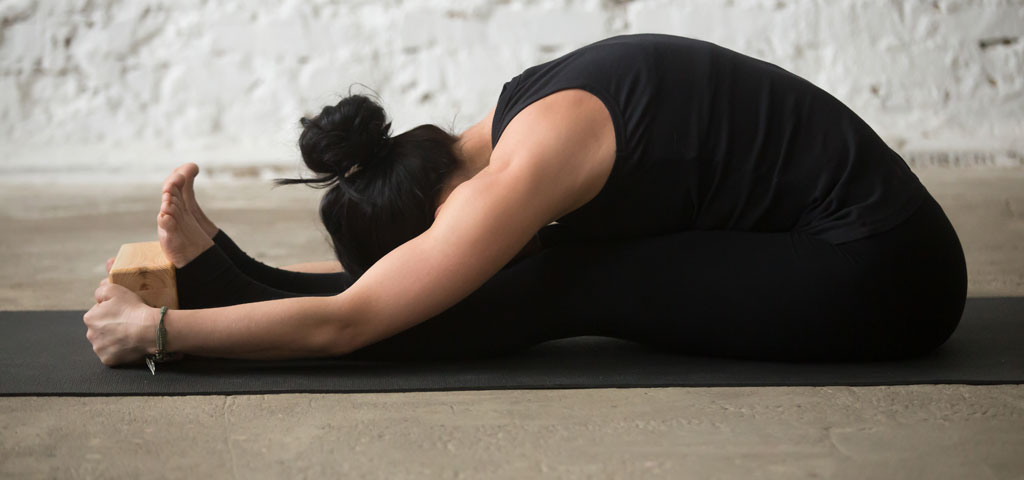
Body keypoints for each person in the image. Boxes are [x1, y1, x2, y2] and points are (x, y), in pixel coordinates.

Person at [83, 33, 968, 367]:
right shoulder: (506, 121)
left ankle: (228, 293)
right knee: (553, 266)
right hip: (852, 240)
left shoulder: (525, 169)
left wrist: (163, 333)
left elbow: (351, 319)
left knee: (567, 283)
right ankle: (238, 278)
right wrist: (243, 266)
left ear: (436, 212)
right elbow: (386, 284)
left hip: (885, 276)